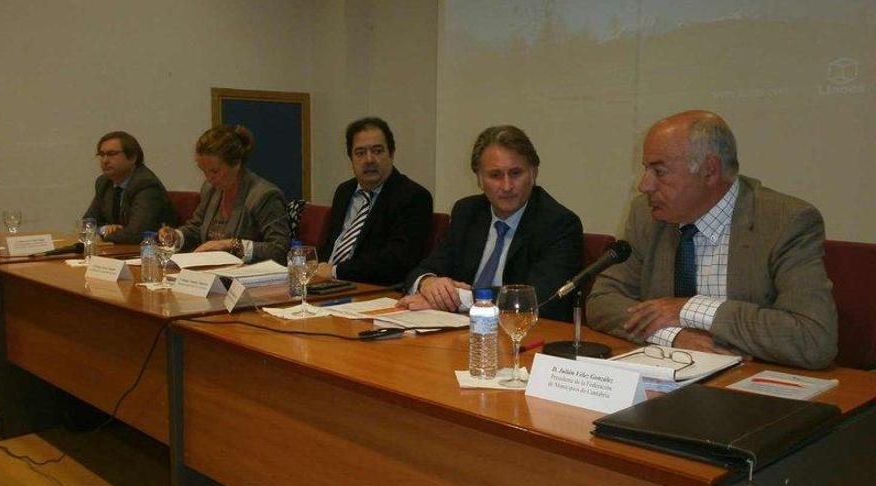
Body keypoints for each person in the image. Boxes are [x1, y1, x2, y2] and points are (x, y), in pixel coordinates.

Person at [586, 110, 837, 369]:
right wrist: (675, 337)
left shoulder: (785, 221)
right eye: (645, 169)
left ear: (709, 170)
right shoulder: (646, 214)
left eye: (659, 171)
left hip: (752, 379)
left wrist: (690, 309)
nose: (644, 185)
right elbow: (603, 301)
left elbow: (813, 339)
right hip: (668, 376)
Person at [399, 125, 582, 321]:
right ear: (479, 179)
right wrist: (428, 283)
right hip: (459, 332)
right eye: (495, 175)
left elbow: (539, 299)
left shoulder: (558, 223)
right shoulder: (467, 212)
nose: (507, 186)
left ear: (533, 173)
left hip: (520, 335)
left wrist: (459, 299)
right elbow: (425, 268)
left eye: (515, 173)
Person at [317, 117, 433, 285]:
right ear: (351, 158)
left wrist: (336, 271)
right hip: (325, 285)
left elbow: (396, 263)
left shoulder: (413, 197)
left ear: (391, 154)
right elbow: (330, 246)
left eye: (377, 151)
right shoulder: (344, 191)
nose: (369, 160)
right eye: (360, 153)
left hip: (371, 290)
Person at [160, 124, 289, 264]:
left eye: (214, 171)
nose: (208, 178)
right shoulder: (210, 189)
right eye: (203, 171)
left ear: (237, 164)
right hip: (210, 273)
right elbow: (197, 227)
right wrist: (177, 236)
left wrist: (231, 244)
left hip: (247, 279)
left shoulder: (264, 195)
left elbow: (279, 250)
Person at [82, 131, 175, 244]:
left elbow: (136, 235)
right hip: (119, 251)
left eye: (111, 154)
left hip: (151, 254)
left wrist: (103, 236)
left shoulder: (146, 184)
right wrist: (104, 229)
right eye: (101, 155)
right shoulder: (104, 182)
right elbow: (87, 224)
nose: (105, 160)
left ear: (132, 157)